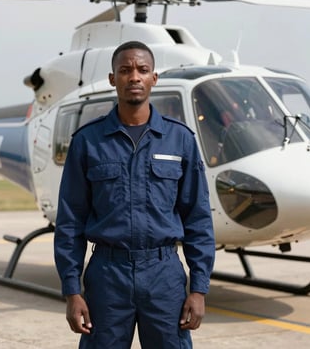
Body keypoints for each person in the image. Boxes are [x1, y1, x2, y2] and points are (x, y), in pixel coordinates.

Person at [54, 40, 215, 349]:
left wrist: (199, 289)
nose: (134, 77)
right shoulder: (88, 142)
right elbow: (70, 221)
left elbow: (197, 217)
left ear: (154, 78)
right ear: (113, 79)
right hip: (107, 277)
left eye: (143, 70)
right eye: (125, 70)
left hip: (164, 274)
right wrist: (72, 291)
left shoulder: (179, 140)